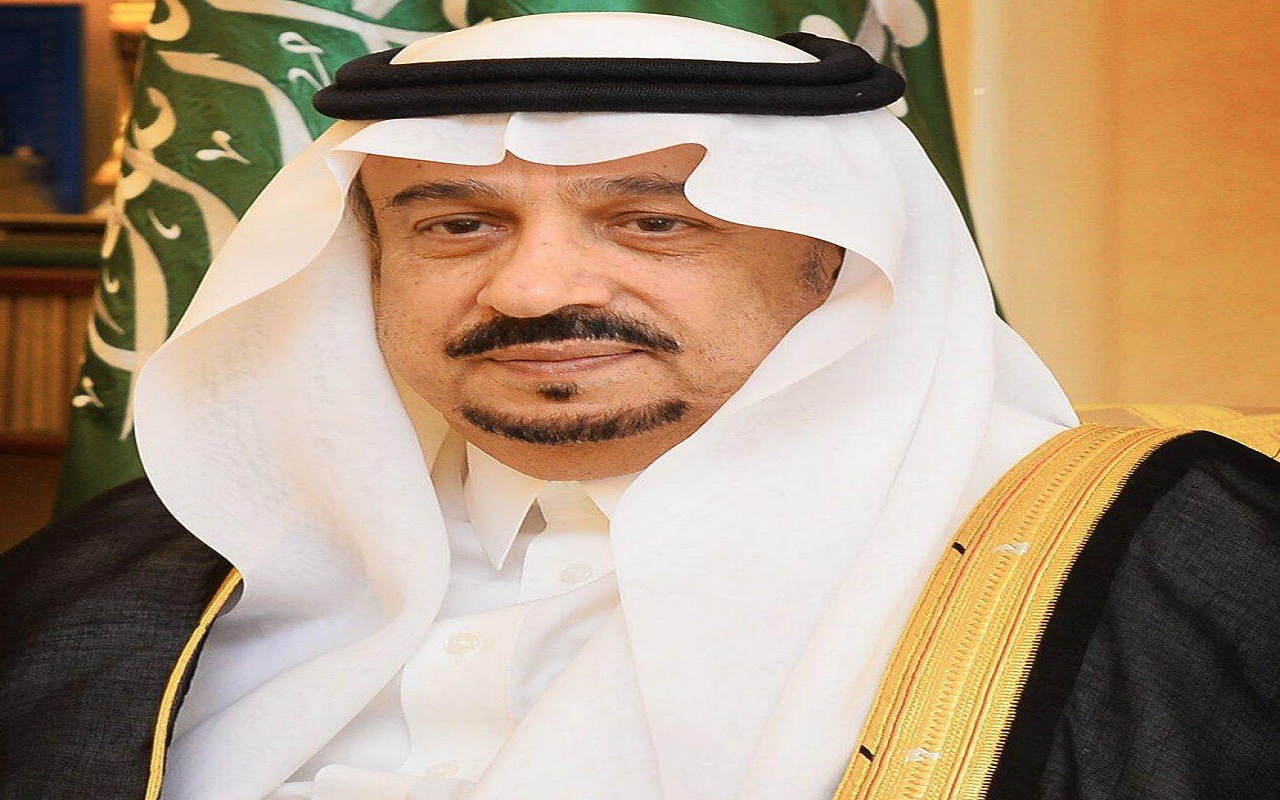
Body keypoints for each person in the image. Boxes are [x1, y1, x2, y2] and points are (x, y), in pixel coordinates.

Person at [1, 12, 1277, 800]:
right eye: (454, 224)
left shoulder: (1160, 567)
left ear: (836, 259)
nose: (534, 286)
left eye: (652, 222)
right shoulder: (152, 573)